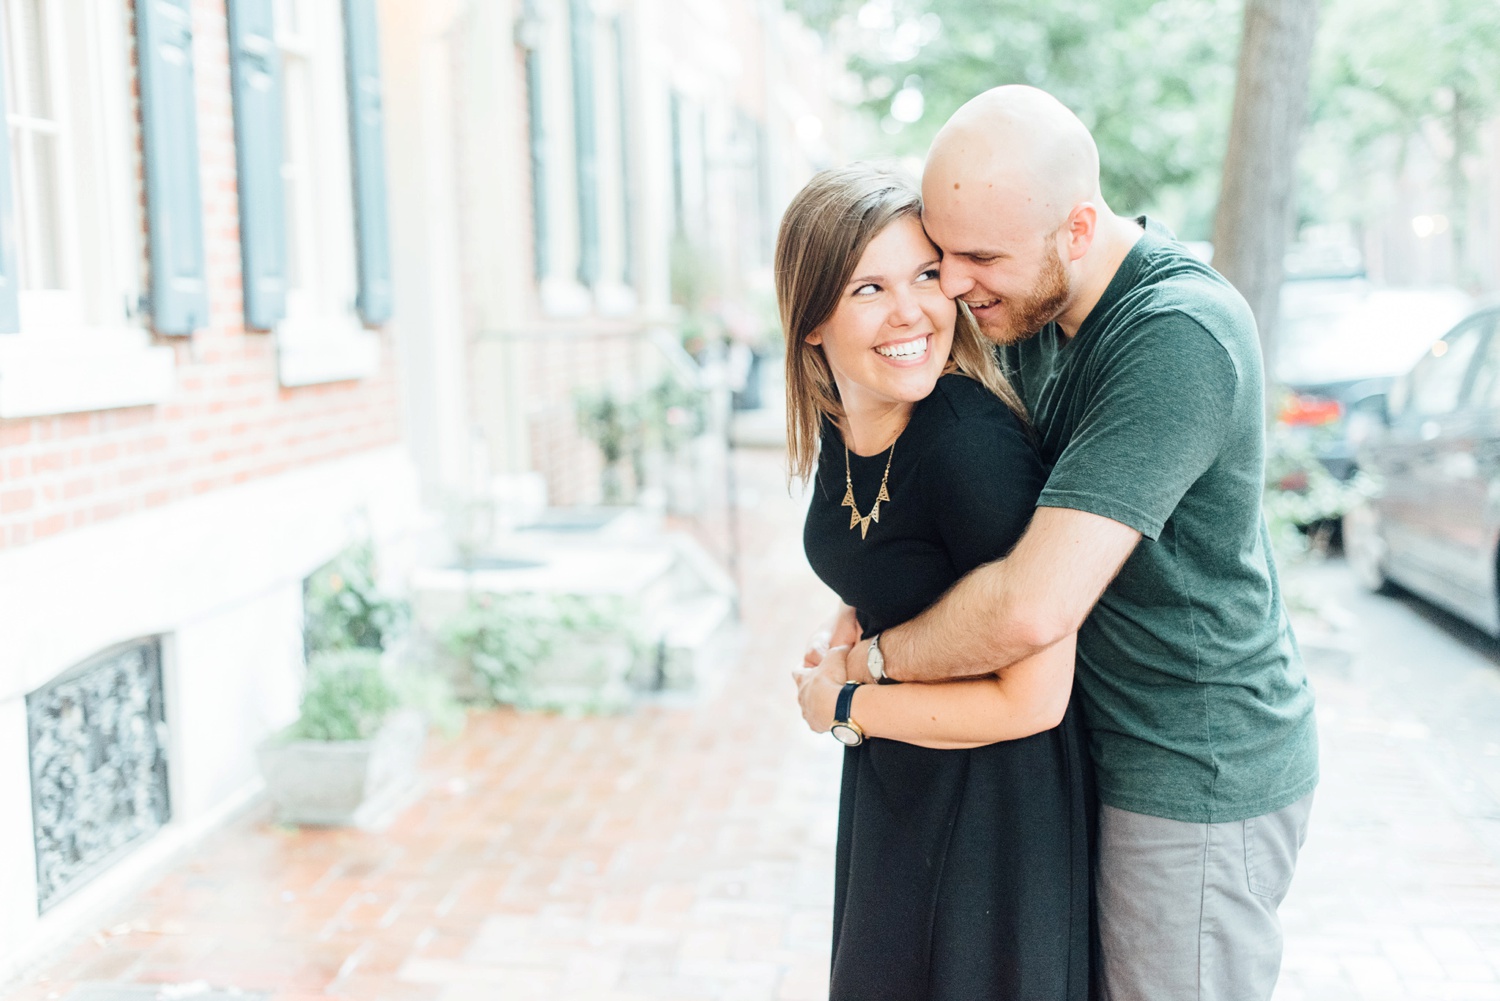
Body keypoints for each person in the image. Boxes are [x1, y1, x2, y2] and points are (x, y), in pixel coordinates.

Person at [816, 86, 1319, 1001]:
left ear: (1078, 229)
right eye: (943, 253)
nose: (955, 287)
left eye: (976, 258)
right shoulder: (1031, 306)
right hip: (1088, 750)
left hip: (1188, 765)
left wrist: (870, 672)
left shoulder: (1177, 337)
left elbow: (1030, 603)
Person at [782, 164, 1092, 1001]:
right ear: (812, 321)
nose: (911, 310)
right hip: (900, 787)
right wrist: (848, 623)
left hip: (994, 819)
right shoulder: (854, 420)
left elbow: (1035, 700)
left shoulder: (970, 448)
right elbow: (895, 557)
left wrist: (844, 702)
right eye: (869, 288)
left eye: (925, 276)